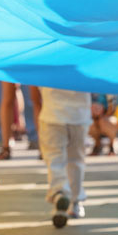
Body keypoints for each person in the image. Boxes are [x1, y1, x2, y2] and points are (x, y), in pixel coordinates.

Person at [38, 87, 92, 227]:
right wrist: (110, 99)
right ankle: (75, 202)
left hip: (52, 113)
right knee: (76, 160)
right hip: (79, 114)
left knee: (54, 158)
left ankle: (59, 192)